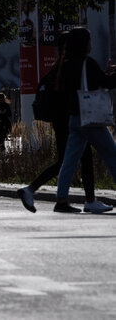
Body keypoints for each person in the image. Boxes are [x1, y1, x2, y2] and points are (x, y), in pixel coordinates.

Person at [17, 32, 111, 213]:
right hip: (70, 120)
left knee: (73, 160)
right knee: (76, 160)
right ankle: (36, 191)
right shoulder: (72, 65)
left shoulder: (59, 67)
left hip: (64, 121)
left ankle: (63, 198)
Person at [52, 28, 116, 213]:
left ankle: (61, 199)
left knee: (69, 161)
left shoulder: (67, 64)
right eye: (89, 41)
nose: (91, 44)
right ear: (84, 44)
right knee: (111, 154)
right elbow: (106, 83)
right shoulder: (87, 63)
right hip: (90, 118)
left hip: (74, 117)